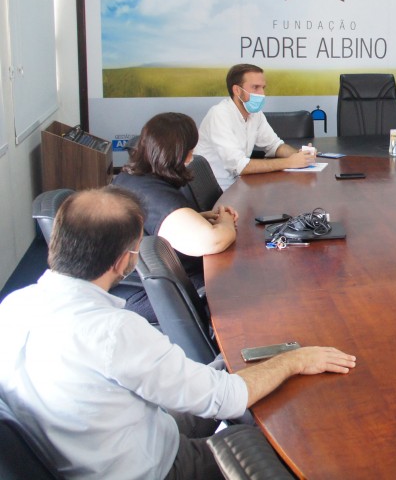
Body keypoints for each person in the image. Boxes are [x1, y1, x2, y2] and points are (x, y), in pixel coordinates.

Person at [0, 187, 356, 480]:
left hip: (94, 441)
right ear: (123, 262)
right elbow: (227, 398)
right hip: (155, 468)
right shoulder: (114, 333)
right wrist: (294, 360)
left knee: (229, 365)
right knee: (268, 436)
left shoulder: (13, 306)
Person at [112, 112, 239, 322]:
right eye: (191, 150)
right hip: (150, 293)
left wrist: (197, 217)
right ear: (183, 154)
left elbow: (158, 224)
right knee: (245, 285)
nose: (192, 156)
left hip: (150, 280)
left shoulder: (133, 177)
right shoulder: (154, 194)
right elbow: (212, 241)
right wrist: (226, 220)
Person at [194, 64, 315, 189]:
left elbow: (274, 146)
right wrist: (289, 162)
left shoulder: (255, 114)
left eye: (263, 87)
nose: (262, 93)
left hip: (240, 184)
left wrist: (300, 155)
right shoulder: (219, 114)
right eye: (255, 87)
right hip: (218, 192)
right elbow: (239, 166)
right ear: (237, 90)